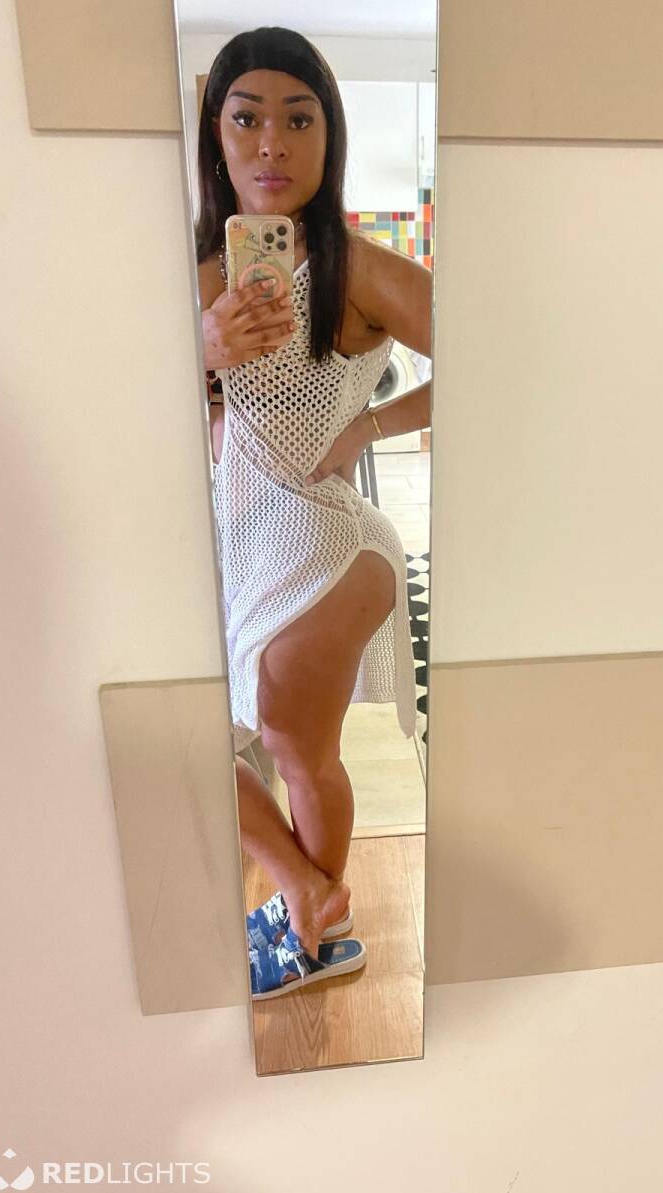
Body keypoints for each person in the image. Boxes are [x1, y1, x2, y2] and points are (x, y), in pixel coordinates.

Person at [193, 27, 432, 998]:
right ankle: (310, 901)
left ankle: (311, 934)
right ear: (217, 136)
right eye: (247, 118)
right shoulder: (194, 271)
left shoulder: (359, 267)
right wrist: (201, 351)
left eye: (299, 120)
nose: (271, 144)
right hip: (234, 542)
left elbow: (500, 351)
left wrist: (369, 425)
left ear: (329, 137)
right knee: (188, 734)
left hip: (326, 541)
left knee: (299, 752)